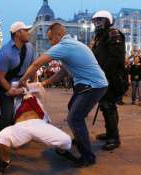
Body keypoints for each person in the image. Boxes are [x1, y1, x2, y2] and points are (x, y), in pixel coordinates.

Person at [19, 22, 108, 167]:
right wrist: (45, 83)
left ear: (59, 35)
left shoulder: (65, 46)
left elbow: (37, 64)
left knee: (74, 118)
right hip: (89, 85)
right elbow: (63, 71)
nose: (50, 42)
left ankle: (88, 157)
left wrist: (23, 80)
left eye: (51, 39)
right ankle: (80, 138)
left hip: (93, 86)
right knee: (73, 108)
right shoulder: (71, 45)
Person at [0, 83, 72, 174]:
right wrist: (17, 91)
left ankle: (60, 150)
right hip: (20, 126)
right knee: (1, 137)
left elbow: (37, 86)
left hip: (39, 123)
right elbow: (9, 92)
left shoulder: (36, 94)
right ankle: (5, 161)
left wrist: (23, 89)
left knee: (66, 141)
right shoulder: (14, 100)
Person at [0, 21, 35, 160]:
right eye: (25, 30)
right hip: (6, 86)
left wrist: (33, 83)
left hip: (23, 85)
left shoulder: (30, 48)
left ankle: (11, 140)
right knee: (7, 116)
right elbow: (0, 77)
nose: (29, 32)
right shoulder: (5, 52)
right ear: (17, 33)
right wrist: (11, 90)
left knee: (22, 115)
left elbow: (33, 67)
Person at [91, 10, 127, 150]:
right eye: (96, 20)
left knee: (108, 106)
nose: (98, 23)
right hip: (102, 76)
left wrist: (104, 74)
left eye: (101, 20)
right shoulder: (99, 37)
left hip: (112, 77)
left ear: (108, 21)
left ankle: (114, 138)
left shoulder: (113, 33)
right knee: (106, 106)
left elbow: (115, 57)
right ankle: (110, 132)